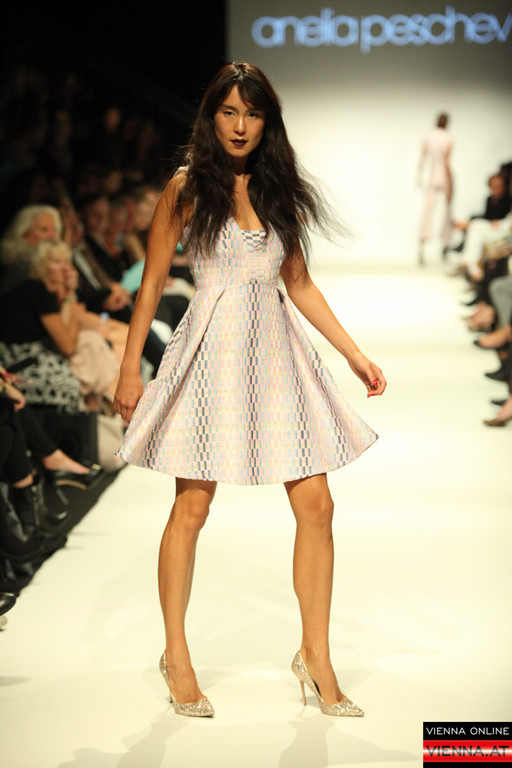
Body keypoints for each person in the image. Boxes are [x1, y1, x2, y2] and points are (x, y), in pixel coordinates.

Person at [114, 62, 386, 719]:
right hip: (210, 354)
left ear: (268, 123)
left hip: (278, 355)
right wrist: (129, 368)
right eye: (230, 112)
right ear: (211, 116)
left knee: (317, 504)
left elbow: (298, 283)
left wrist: (353, 353)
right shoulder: (185, 188)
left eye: (253, 114)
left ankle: (315, 655)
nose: (240, 126)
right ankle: (176, 654)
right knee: (192, 507)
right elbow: (151, 283)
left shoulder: (277, 189)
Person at [417, 113, 453, 265]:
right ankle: (445, 244)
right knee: (446, 211)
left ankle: (422, 246)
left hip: (433, 176)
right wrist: (451, 181)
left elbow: (423, 158)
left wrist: (419, 176)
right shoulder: (448, 138)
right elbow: (446, 161)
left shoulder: (428, 137)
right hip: (443, 175)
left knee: (428, 212)